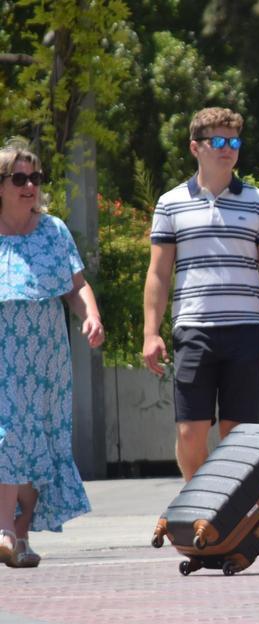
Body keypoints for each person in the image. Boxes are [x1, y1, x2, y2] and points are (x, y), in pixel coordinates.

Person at [142, 107, 259, 551]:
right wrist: (152, 332)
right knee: (190, 432)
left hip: (246, 329)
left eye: (235, 143)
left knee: (237, 434)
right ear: (196, 147)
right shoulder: (170, 203)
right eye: (219, 142)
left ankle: (230, 519)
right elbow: (158, 274)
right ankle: (204, 508)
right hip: (193, 329)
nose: (229, 151)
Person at [0, 141, 105, 568]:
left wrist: (91, 315)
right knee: (8, 435)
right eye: (20, 178)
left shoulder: (54, 230)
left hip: (47, 357)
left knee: (41, 440)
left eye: (35, 178)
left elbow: (75, 285)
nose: (30, 186)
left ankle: (19, 538)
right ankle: (5, 528)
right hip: (4, 353)